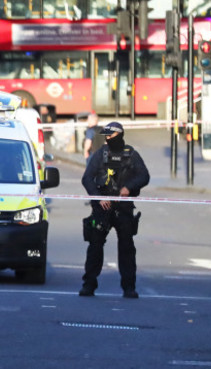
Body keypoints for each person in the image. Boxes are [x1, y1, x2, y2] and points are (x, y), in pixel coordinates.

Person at [79, 122, 150, 299]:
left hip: (123, 207)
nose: (108, 139)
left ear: (120, 135)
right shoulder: (100, 154)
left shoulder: (131, 154)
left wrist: (128, 187)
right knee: (95, 246)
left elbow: (144, 176)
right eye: (106, 137)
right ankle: (89, 285)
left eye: (111, 136)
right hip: (102, 207)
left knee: (126, 247)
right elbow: (87, 178)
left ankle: (129, 287)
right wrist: (98, 197)